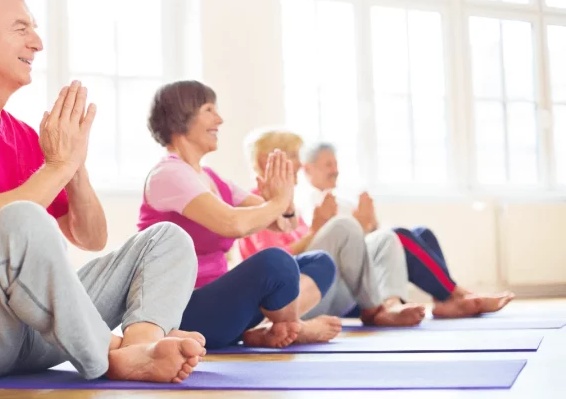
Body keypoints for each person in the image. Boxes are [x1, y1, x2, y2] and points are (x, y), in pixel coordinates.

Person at [0, 0, 205, 383]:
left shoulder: (24, 136)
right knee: (22, 219)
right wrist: (57, 165)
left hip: (27, 329)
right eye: (21, 28)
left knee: (167, 239)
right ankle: (108, 354)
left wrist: (75, 166)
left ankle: (139, 346)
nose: (37, 42)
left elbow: (91, 237)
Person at [137, 80, 342, 350]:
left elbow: (283, 223)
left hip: (221, 307)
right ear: (180, 117)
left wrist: (284, 201)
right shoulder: (169, 174)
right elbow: (231, 223)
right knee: (275, 263)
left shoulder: (211, 178)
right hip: (181, 313)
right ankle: (294, 326)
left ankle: (269, 328)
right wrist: (278, 201)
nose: (219, 119)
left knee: (320, 262)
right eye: (209, 110)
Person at [298, 142, 515, 317]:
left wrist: (370, 223)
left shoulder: (342, 199)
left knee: (422, 233)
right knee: (400, 236)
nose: (335, 170)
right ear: (308, 169)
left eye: (335, 164)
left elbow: (371, 238)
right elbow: (328, 246)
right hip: (346, 284)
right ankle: (455, 293)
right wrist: (363, 226)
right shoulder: (305, 202)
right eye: (328, 165)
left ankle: (443, 299)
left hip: (362, 264)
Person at [239, 128, 425, 326]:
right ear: (263, 161)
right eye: (293, 156)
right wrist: (317, 231)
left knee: (384, 238)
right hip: (292, 299)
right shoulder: (256, 203)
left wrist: (365, 225)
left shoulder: (289, 205)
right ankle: (375, 309)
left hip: (323, 291)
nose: (300, 165)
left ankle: (391, 303)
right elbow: (272, 263)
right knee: (343, 225)